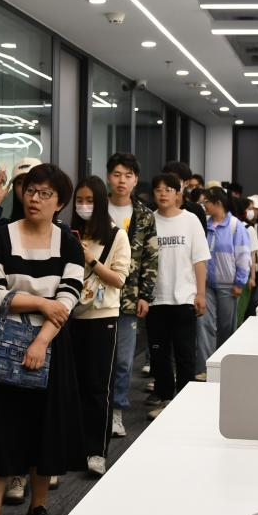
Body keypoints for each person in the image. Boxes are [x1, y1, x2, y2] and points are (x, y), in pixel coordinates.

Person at [0, 163, 86, 515]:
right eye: (30, 190)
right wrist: (40, 303)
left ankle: (38, 507)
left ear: (60, 202)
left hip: (51, 345)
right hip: (2, 346)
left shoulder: (69, 243)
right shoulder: (0, 237)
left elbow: (69, 296)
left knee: (43, 430)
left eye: (45, 193)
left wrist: (41, 340)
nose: (35, 198)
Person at [70, 177, 130, 477]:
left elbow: (119, 279)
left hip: (101, 318)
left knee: (97, 387)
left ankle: (96, 451)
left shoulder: (117, 235)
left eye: (89, 200)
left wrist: (91, 260)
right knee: (73, 386)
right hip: (69, 317)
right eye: (79, 200)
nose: (83, 206)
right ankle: (73, 448)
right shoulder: (69, 233)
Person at [147, 173, 209, 420]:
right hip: (156, 299)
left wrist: (201, 293)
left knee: (185, 355)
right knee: (159, 355)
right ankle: (165, 399)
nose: (163, 194)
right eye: (158, 190)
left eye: (168, 189)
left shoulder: (190, 220)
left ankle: (185, 403)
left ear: (177, 194)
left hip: (185, 298)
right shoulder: (148, 220)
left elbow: (199, 259)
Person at [105, 154, 157, 438]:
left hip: (128, 298)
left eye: (127, 175)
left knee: (124, 360)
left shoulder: (145, 215)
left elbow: (151, 257)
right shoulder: (96, 209)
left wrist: (145, 295)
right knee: (97, 358)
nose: (121, 180)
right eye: (116, 174)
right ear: (108, 177)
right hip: (94, 298)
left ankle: (117, 410)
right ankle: (95, 411)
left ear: (135, 179)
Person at [196, 187, 251, 366]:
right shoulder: (204, 224)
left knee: (226, 327)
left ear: (218, 203)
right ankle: (205, 366)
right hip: (206, 285)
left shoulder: (235, 226)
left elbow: (244, 256)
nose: (204, 205)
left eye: (206, 202)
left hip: (228, 285)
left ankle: (224, 364)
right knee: (204, 325)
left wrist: (240, 282)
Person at [0, 157, 39, 250]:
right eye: (20, 183)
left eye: (32, 182)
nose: (26, 188)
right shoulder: (6, 225)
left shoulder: (56, 229)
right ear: (14, 188)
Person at [164, 161, 207, 227]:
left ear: (186, 183)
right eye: (166, 180)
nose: (169, 184)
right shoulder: (152, 210)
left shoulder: (196, 210)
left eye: (174, 180)